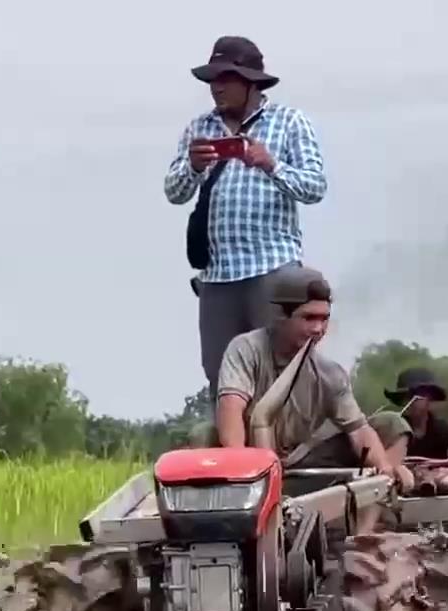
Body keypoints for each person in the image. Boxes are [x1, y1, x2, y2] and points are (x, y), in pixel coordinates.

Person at [164, 35, 328, 399]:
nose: (216, 87)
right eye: (212, 80)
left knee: (282, 370)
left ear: (251, 81)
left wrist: (271, 165)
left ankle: (284, 452)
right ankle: (234, 453)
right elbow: (174, 192)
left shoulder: (289, 122)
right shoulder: (198, 129)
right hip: (219, 274)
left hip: (273, 268)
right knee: (221, 374)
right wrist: (192, 166)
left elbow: (315, 187)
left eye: (226, 78)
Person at [211, 265, 414, 496]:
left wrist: (384, 470)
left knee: (390, 424)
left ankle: (370, 521)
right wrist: (244, 472)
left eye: (324, 319)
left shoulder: (329, 373)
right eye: (308, 318)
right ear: (281, 316)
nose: (318, 329)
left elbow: (359, 431)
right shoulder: (246, 349)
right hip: (250, 468)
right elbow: (231, 408)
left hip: (300, 467)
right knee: (202, 435)